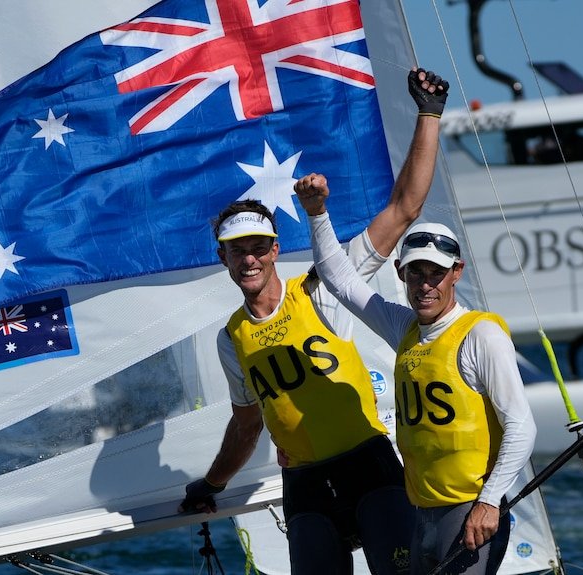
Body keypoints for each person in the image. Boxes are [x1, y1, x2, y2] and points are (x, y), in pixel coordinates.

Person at [178, 68, 450, 575]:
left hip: (368, 469)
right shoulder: (230, 338)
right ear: (223, 259)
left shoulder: (323, 287)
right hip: (304, 485)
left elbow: (403, 208)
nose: (250, 261)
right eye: (237, 252)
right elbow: (246, 422)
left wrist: (429, 114)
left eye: (258, 248)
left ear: (276, 250)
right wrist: (212, 484)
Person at [295, 180, 537, 575]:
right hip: (420, 513)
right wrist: (316, 212)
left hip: (468, 514)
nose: (425, 285)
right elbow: (339, 280)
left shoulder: (481, 335)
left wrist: (489, 502)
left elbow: (522, 426)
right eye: (415, 273)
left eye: (436, 274)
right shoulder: (404, 327)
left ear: (456, 272)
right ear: (400, 273)